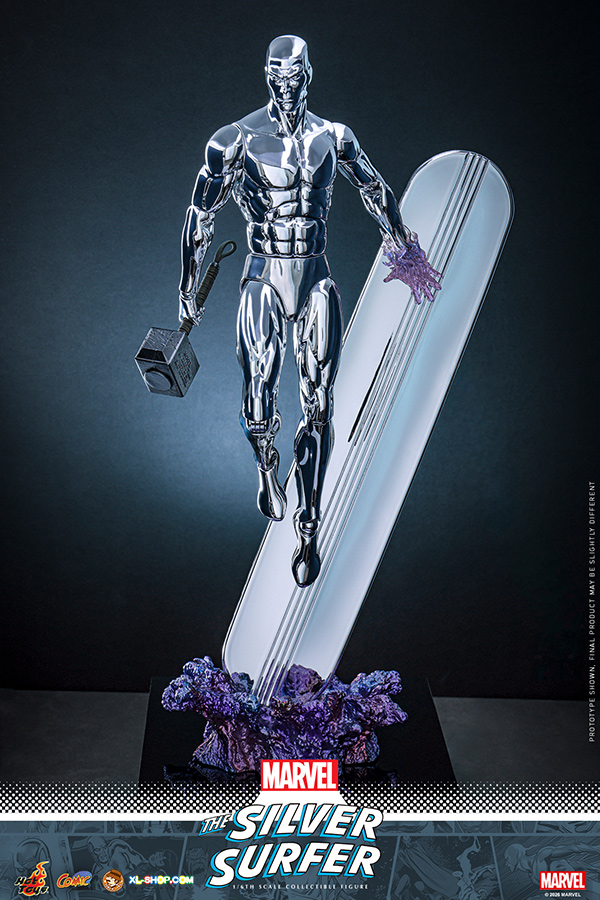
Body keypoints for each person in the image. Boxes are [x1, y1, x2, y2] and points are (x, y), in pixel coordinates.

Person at [179, 35, 440, 586]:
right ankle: (267, 465)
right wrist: (187, 289)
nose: (286, 85)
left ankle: (308, 528)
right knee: (258, 399)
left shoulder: (333, 137)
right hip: (263, 275)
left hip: (316, 275)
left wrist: (405, 246)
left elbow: (374, 189)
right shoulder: (235, 141)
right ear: (266, 76)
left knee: (319, 406)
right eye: (277, 75)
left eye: (294, 74)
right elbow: (200, 214)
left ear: (308, 74)